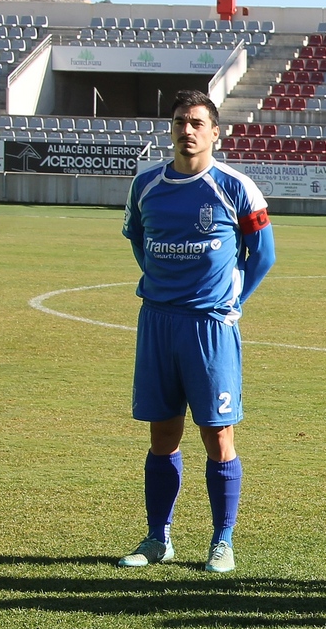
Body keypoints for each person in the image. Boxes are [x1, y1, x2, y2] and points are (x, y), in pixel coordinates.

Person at [117, 91, 276, 574]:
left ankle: (221, 541)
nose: (188, 130)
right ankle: (157, 538)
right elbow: (140, 242)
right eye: (181, 122)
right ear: (172, 128)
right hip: (158, 321)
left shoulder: (236, 186)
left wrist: (231, 304)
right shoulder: (146, 185)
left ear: (214, 131)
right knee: (162, 433)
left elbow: (263, 255)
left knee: (217, 434)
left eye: (198, 123)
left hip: (210, 326)